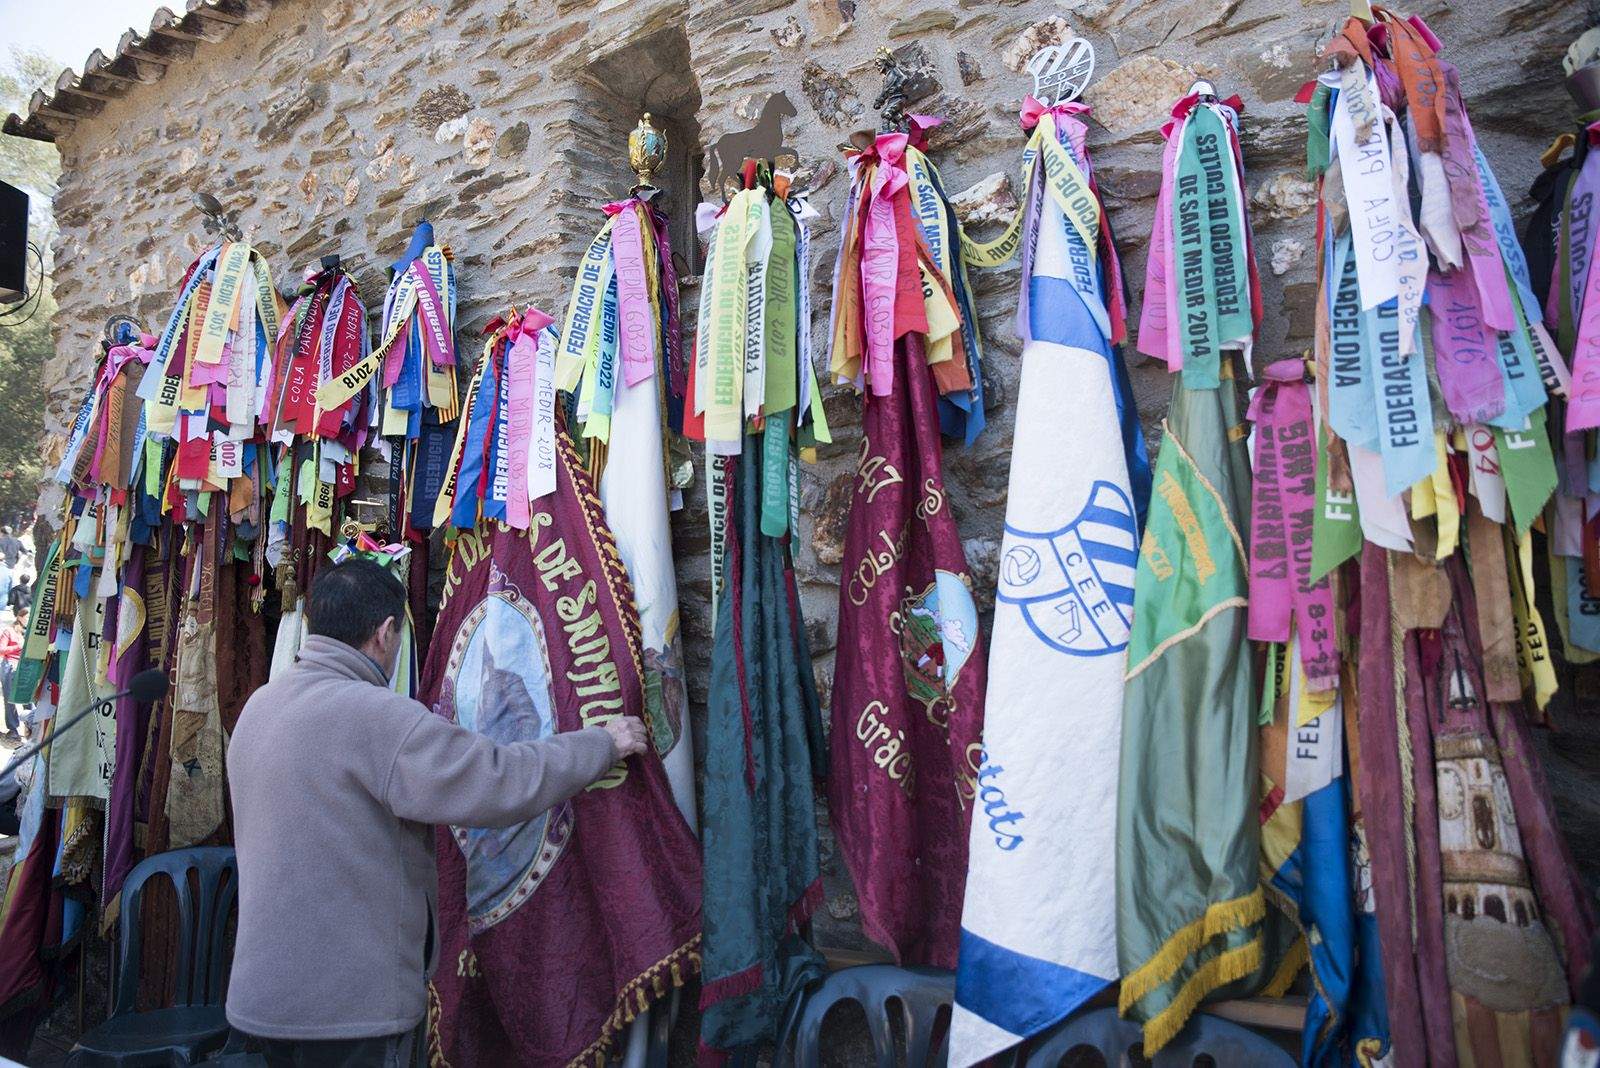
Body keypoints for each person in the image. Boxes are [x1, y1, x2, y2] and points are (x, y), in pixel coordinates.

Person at [226, 558, 647, 1067]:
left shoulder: (260, 707)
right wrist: (600, 744)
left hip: (264, 1002)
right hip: (350, 1014)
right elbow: (498, 780)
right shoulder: (379, 718)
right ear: (384, 633)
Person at [0, 607, 25, 745]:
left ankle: (31, 724)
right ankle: (13, 729)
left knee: (28, 698)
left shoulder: (26, 632)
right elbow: (1, 650)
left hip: (23, 667)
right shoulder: (8, 631)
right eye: (26, 617)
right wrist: (18, 647)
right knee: (10, 699)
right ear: (20, 617)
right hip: (9, 665)